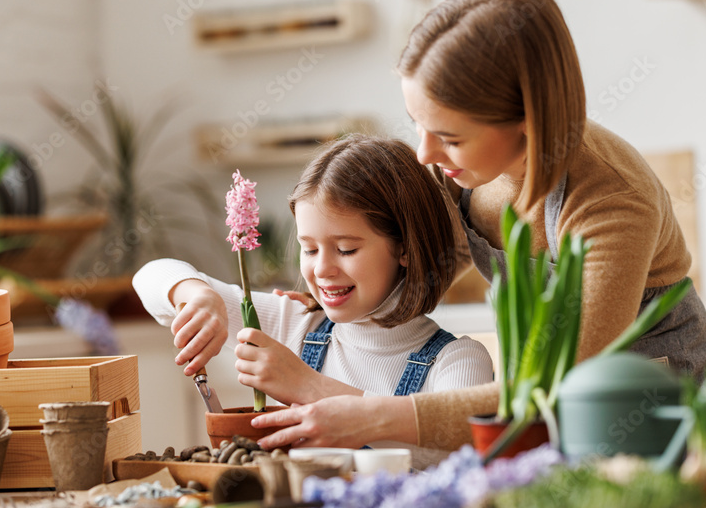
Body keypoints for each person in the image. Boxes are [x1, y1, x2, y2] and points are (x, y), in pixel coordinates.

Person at [251, 0, 706, 453]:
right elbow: (415, 266)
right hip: (528, 411)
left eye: (449, 137)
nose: (424, 152)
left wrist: (369, 414)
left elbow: (554, 388)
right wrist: (333, 292)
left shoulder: (611, 200)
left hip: (644, 418)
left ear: (527, 120)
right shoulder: (464, 170)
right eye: (418, 124)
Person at [133, 135, 493, 457]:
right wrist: (198, 295)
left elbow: (456, 450)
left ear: (405, 248)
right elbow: (150, 277)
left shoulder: (456, 361)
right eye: (309, 249)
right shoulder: (293, 323)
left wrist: (310, 386)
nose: (322, 270)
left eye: (346, 249)